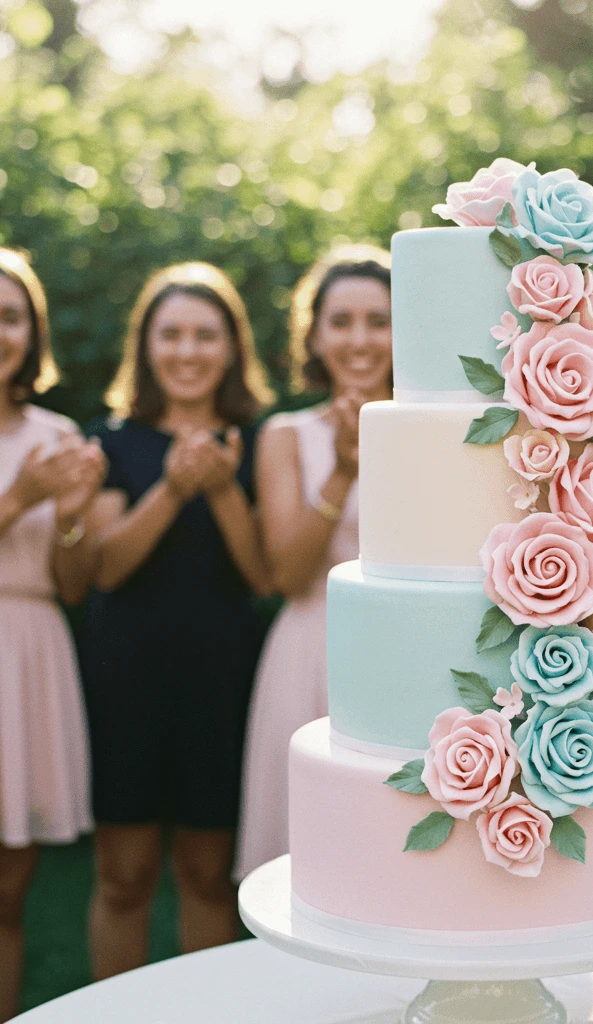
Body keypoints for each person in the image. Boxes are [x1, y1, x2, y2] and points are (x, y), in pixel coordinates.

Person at [80, 262, 273, 979]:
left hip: (221, 675)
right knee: (123, 873)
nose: (187, 352)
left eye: (204, 335)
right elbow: (105, 567)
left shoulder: (260, 441)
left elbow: (263, 578)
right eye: (171, 335)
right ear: (146, 346)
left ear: (230, 347)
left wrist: (221, 491)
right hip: (124, 671)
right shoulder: (111, 440)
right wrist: (171, 487)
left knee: (206, 872)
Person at [233, 245, 392, 881]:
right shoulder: (285, 435)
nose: (360, 339)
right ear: (315, 335)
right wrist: (345, 472)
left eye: (379, 321)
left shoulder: (441, 427)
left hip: (407, 645)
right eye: (341, 321)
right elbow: (287, 576)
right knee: (312, 867)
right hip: (312, 646)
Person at [0, 248, 106, 1021]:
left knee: (10, 890)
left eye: (9, 316)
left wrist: (70, 516)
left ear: (31, 334)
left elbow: (75, 588)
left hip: (31, 648)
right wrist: (21, 494)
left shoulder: (57, 431)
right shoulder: (31, 462)